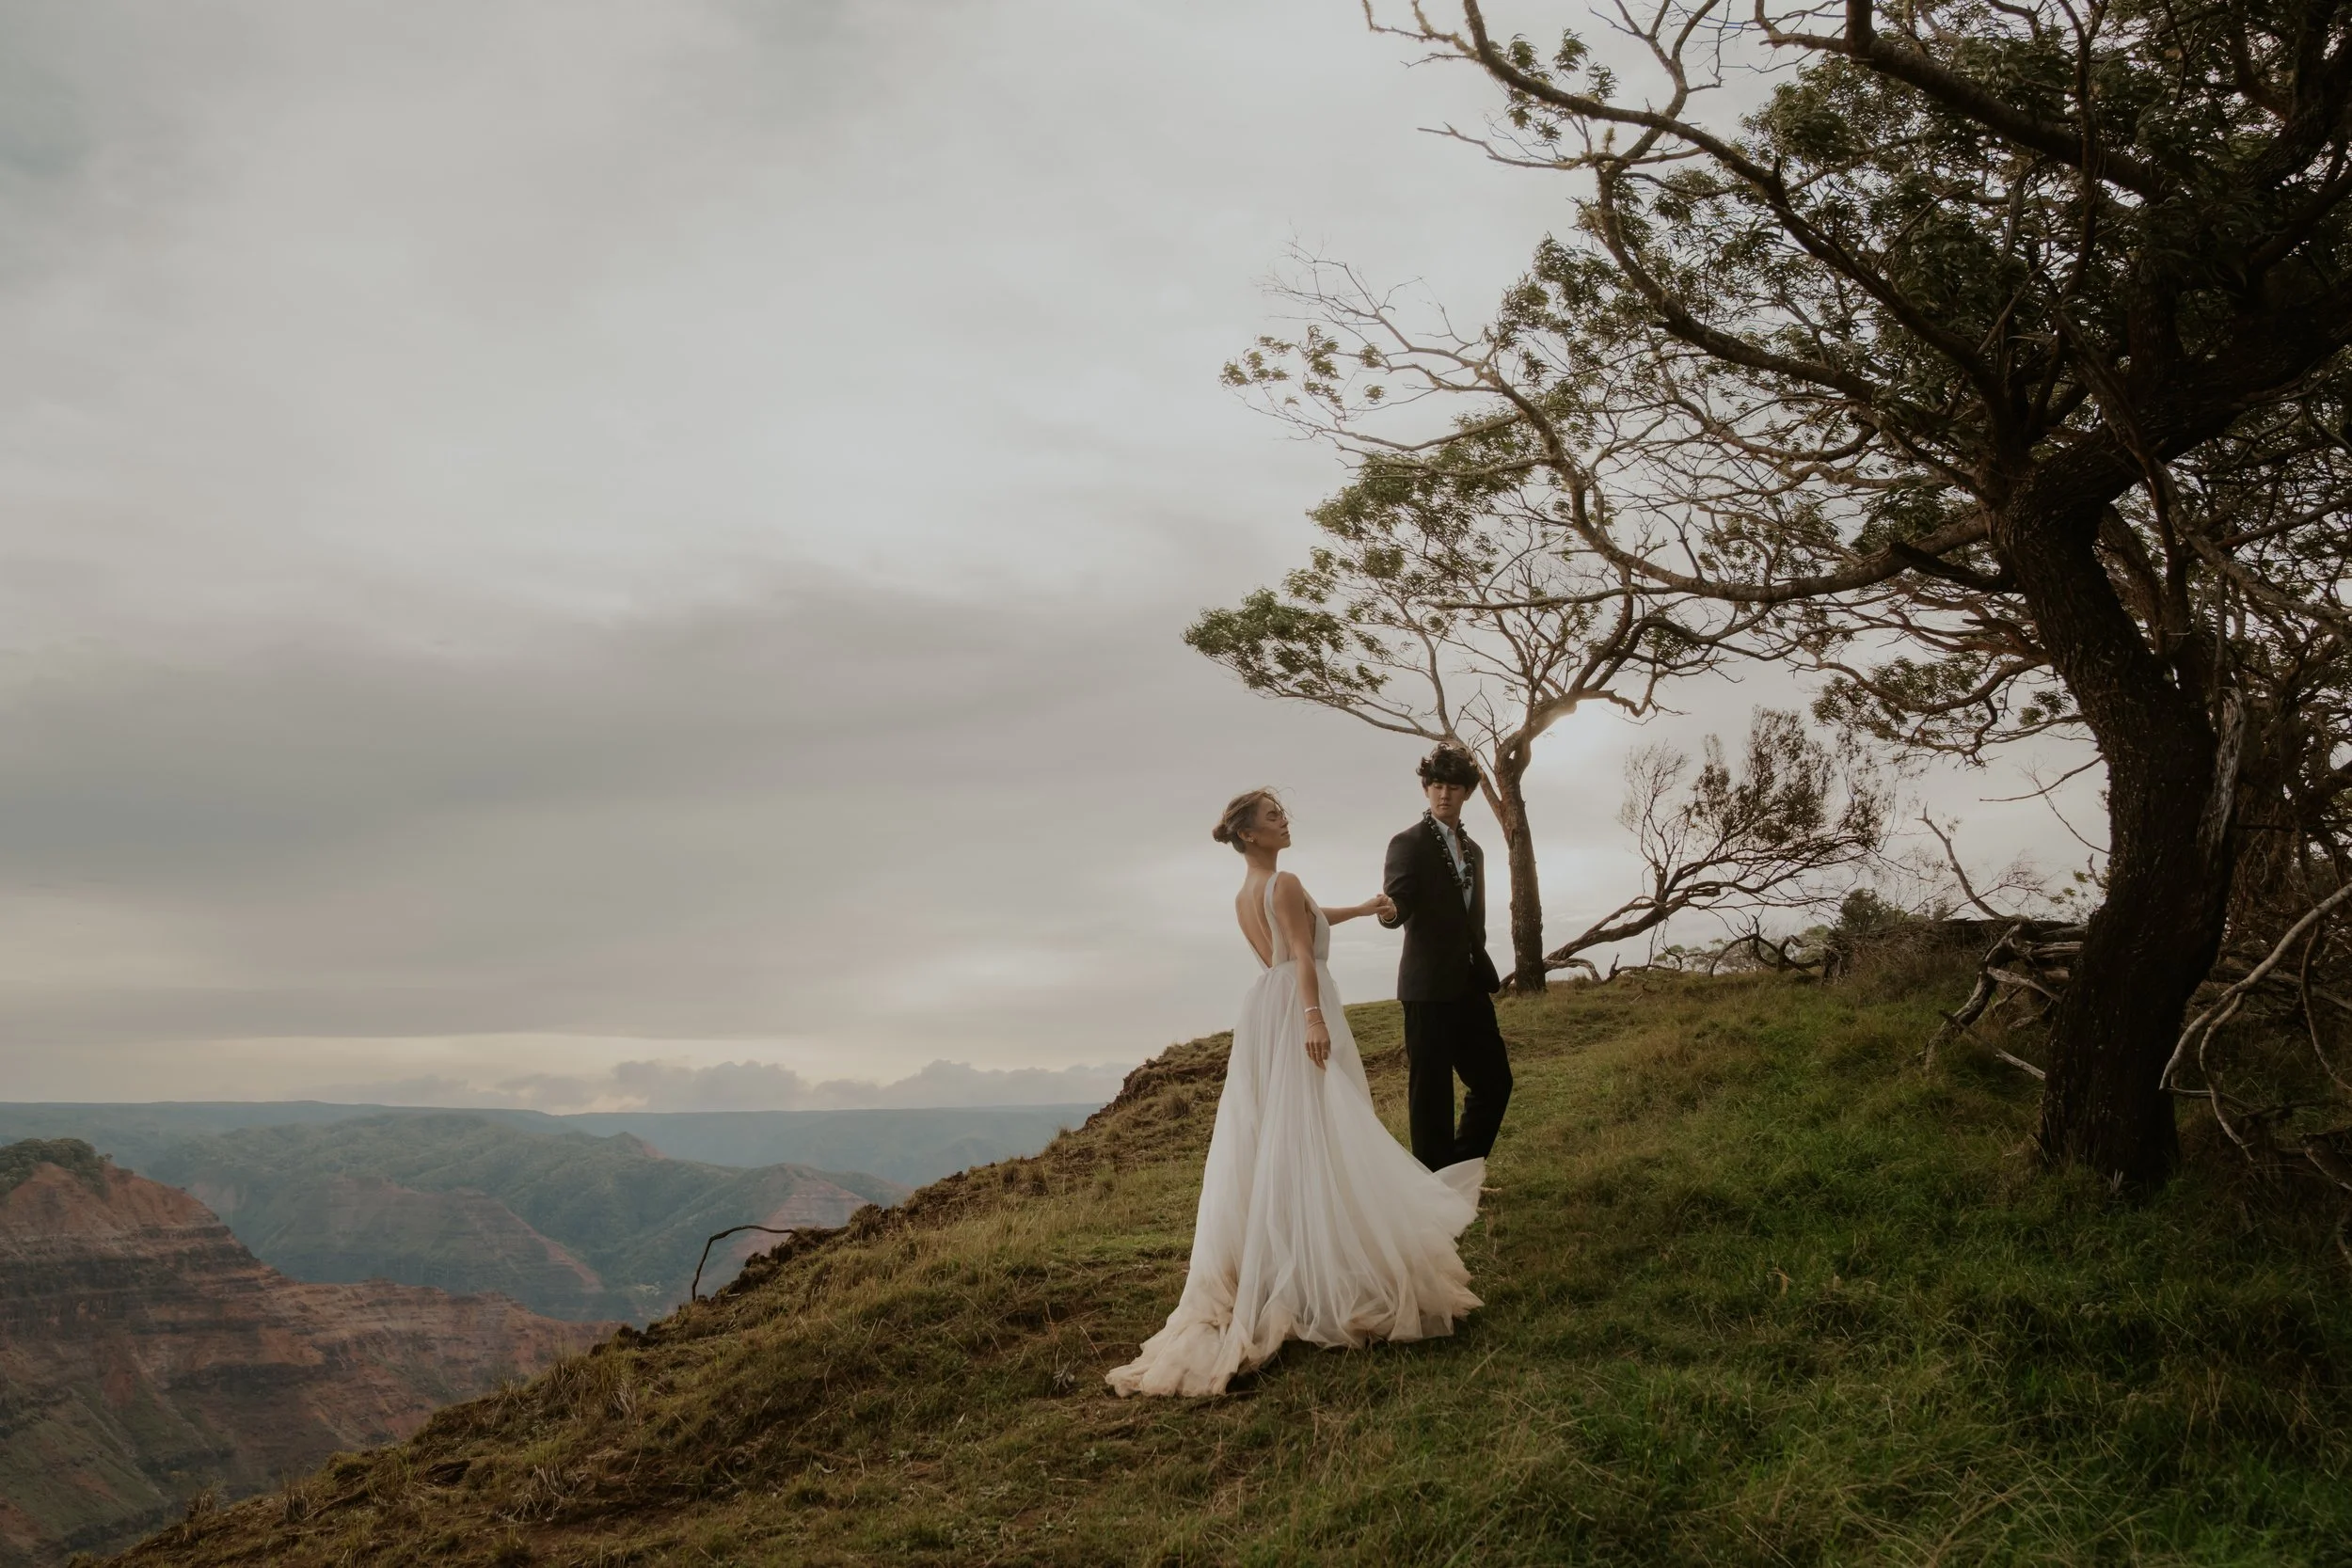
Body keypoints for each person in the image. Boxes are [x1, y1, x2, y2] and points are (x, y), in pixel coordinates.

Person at [1105, 788, 1485, 1398]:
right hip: (1295, 1007)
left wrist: (1361, 909)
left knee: (1286, 1134)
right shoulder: (1283, 883)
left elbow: (1304, 921)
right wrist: (1314, 1018)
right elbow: (1303, 951)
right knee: (1320, 1129)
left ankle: (1300, 1258)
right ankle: (1321, 1268)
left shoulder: (1247, 894)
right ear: (1251, 834)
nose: (1285, 821)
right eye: (1274, 816)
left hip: (1265, 1009)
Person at [1380, 745, 1513, 1172]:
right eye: (1436, 785)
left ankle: (1459, 1174)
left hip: (1470, 984)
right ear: (1426, 789)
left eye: (1453, 787)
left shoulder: (1474, 851)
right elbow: (1398, 900)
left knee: (1495, 1082)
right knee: (1432, 1096)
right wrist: (1390, 911)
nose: (1443, 795)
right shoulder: (1407, 844)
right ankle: (1432, 1190)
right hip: (1426, 988)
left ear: (1467, 792)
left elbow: (1474, 920)